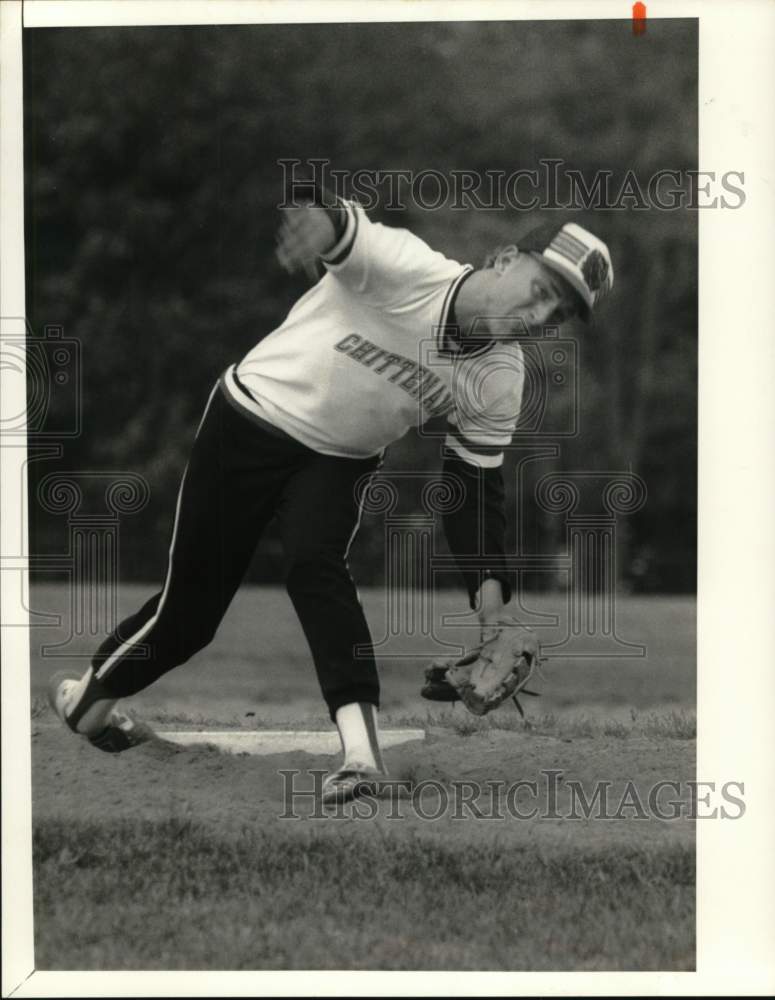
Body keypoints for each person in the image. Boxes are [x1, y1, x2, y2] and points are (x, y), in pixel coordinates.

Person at [49, 184, 613, 802]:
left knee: (315, 567)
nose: (539, 316)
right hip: (250, 421)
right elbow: (342, 224)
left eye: (556, 313)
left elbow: (473, 491)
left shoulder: (501, 377)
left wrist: (492, 613)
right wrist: (316, 223)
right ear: (505, 258)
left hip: (340, 461)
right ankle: (89, 705)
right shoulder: (407, 268)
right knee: (190, 615)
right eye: (540, 290)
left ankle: (361, 758)